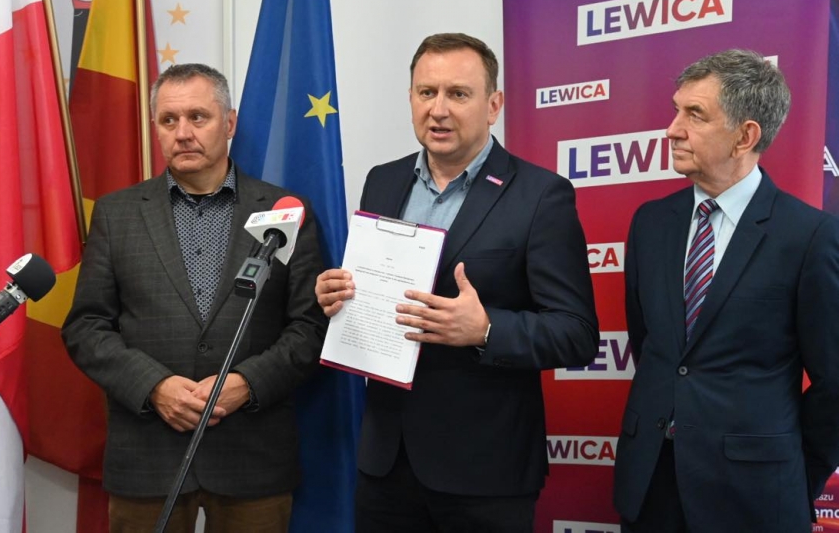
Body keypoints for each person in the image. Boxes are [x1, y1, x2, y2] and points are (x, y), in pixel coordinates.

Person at [315, 33, 599, 532]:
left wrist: (486, 330)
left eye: (458, 94)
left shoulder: (541, 195)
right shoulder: (383, 180)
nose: (439, 110)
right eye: (427, 92)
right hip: (386, 462)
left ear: (494, 105)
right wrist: (339, 296)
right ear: (410, 99)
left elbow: (576, 334)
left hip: (485, 469)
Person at [62, 63, 327, 533]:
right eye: (169, 120)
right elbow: (86, 327)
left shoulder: (287, 211)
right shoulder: (117, 214)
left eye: (198, 117)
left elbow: (310, 327)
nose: (182, 133)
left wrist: (247, 383)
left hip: (252, 457)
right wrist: (154, 387)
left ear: (230, 123)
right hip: (148, 456)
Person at [613, 49, 839, 532]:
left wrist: (795, 474)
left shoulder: (809, 236)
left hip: (754, 496)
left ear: (745, 136)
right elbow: (650, 345)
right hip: (650, 483)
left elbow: (834, 382)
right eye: (676, 110)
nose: (672, 129)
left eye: (694, 115)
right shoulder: (651, 223)